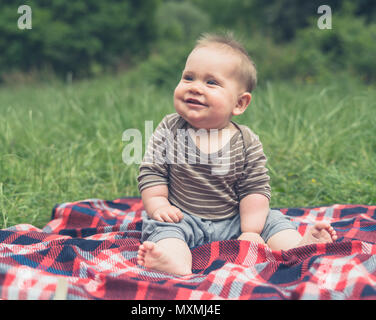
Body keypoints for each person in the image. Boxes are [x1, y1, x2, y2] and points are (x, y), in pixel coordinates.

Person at [136, 32, 337, 276]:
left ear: (239, 104)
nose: (195, 88)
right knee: (162, 229)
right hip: (182, 216)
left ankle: (300, 247)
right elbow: (152, 170)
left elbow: (254, 188)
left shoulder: (246, 141)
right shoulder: (170, 127)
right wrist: (158, 204)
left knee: (272, 221)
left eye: (211, 82)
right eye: (188, 78)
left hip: (234, 219)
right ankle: (173, 260)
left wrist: (251, 229)